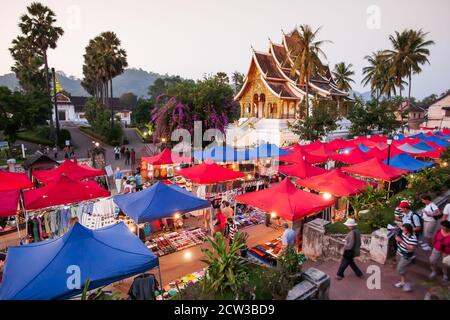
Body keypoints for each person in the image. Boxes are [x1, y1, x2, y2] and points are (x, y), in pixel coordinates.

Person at [394, 223, 418, 292]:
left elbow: (411, 249)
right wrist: (396, 238)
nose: (403, 231)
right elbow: (397, 235)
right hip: (399, 252)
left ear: (408, 230)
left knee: (399, 269)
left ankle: (405, 283)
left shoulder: (413, 238)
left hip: (406, 255)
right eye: (403, 229)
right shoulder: (402, 232)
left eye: (404, 230)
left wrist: (401, 241)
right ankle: (402, 282)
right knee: (400, 268)